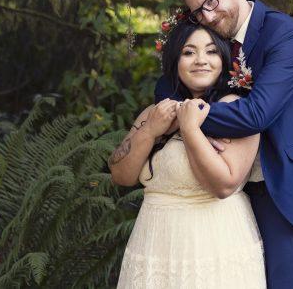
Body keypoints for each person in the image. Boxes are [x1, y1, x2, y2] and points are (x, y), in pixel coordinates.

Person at [154, 0, 293, 288]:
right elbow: (169, 84)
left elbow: (256, 115)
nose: (206, 16)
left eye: (211, 2)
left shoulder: (286, 38)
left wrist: (185, 116)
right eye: (196, 13)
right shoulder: (215, 39)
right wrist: (181, 106)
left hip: (291, 193)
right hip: (238, 201)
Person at [110, 18, 266, 288]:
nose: (200, 60)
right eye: (188, 52)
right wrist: (149, 131)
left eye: (211, 51)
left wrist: (191, 128)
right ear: (175, 61)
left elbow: (224, 185)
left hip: (213, 245)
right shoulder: (155, 113)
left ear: (225, 58)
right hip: (154, 243)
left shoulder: (238, 111)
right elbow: (121, 175)